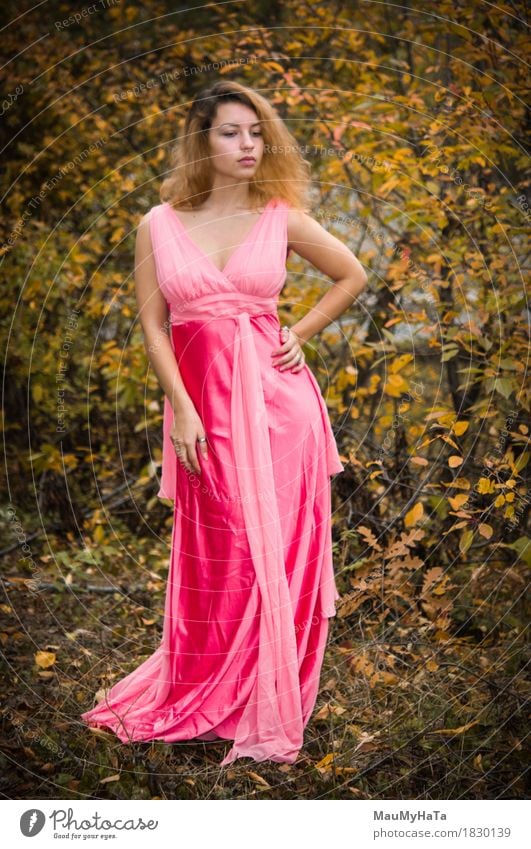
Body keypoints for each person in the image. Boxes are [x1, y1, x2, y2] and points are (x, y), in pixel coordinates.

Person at [80, 80, 367, 767]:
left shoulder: (280, 216)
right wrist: (180, 407)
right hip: (202, 410)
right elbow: (153, 325)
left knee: (277, 552)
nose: (246, 145)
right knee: (220, 548)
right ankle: (211, 687)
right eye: (229, 133)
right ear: (200, 142)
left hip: (282, 411)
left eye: (255, 133)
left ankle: (263, 697)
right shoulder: (158, 223)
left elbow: (350, 274)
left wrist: (299, 330)